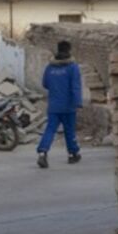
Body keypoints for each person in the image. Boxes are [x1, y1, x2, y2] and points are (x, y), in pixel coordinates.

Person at [37, 40, 82, 168]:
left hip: (53, 106)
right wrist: (78, 102)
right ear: (69, 50)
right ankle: (72, 154)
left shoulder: (50, 67)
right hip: (68, 106)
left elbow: (45, 84)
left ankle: (42, 153)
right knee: (69, 131)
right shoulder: (73, 67)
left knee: (50, 129)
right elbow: (75, 87)